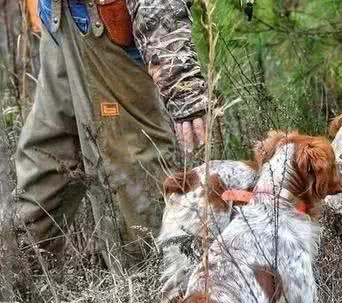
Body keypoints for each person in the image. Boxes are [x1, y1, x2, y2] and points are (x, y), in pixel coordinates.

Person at [15, 0, 208, 270]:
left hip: (109, 31)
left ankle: (152, 302)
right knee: (43, 167)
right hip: (58, 23)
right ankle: (16, 296)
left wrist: (179, 75)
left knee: (133, 192)